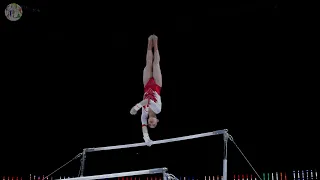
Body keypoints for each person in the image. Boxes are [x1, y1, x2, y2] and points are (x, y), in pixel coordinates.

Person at [130, 34, 162, 146]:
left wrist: (146, 139)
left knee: (148, 63)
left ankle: (149, 42)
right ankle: (156, 43)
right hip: (157, 85)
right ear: (157, 121)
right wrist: (136, 107)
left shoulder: (144, 115)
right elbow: (147, 101)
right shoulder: (158, 110)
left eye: (150, 125)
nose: (151, 124)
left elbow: (143, 126)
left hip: (147, 85)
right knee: (155, 63)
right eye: (154, 125)